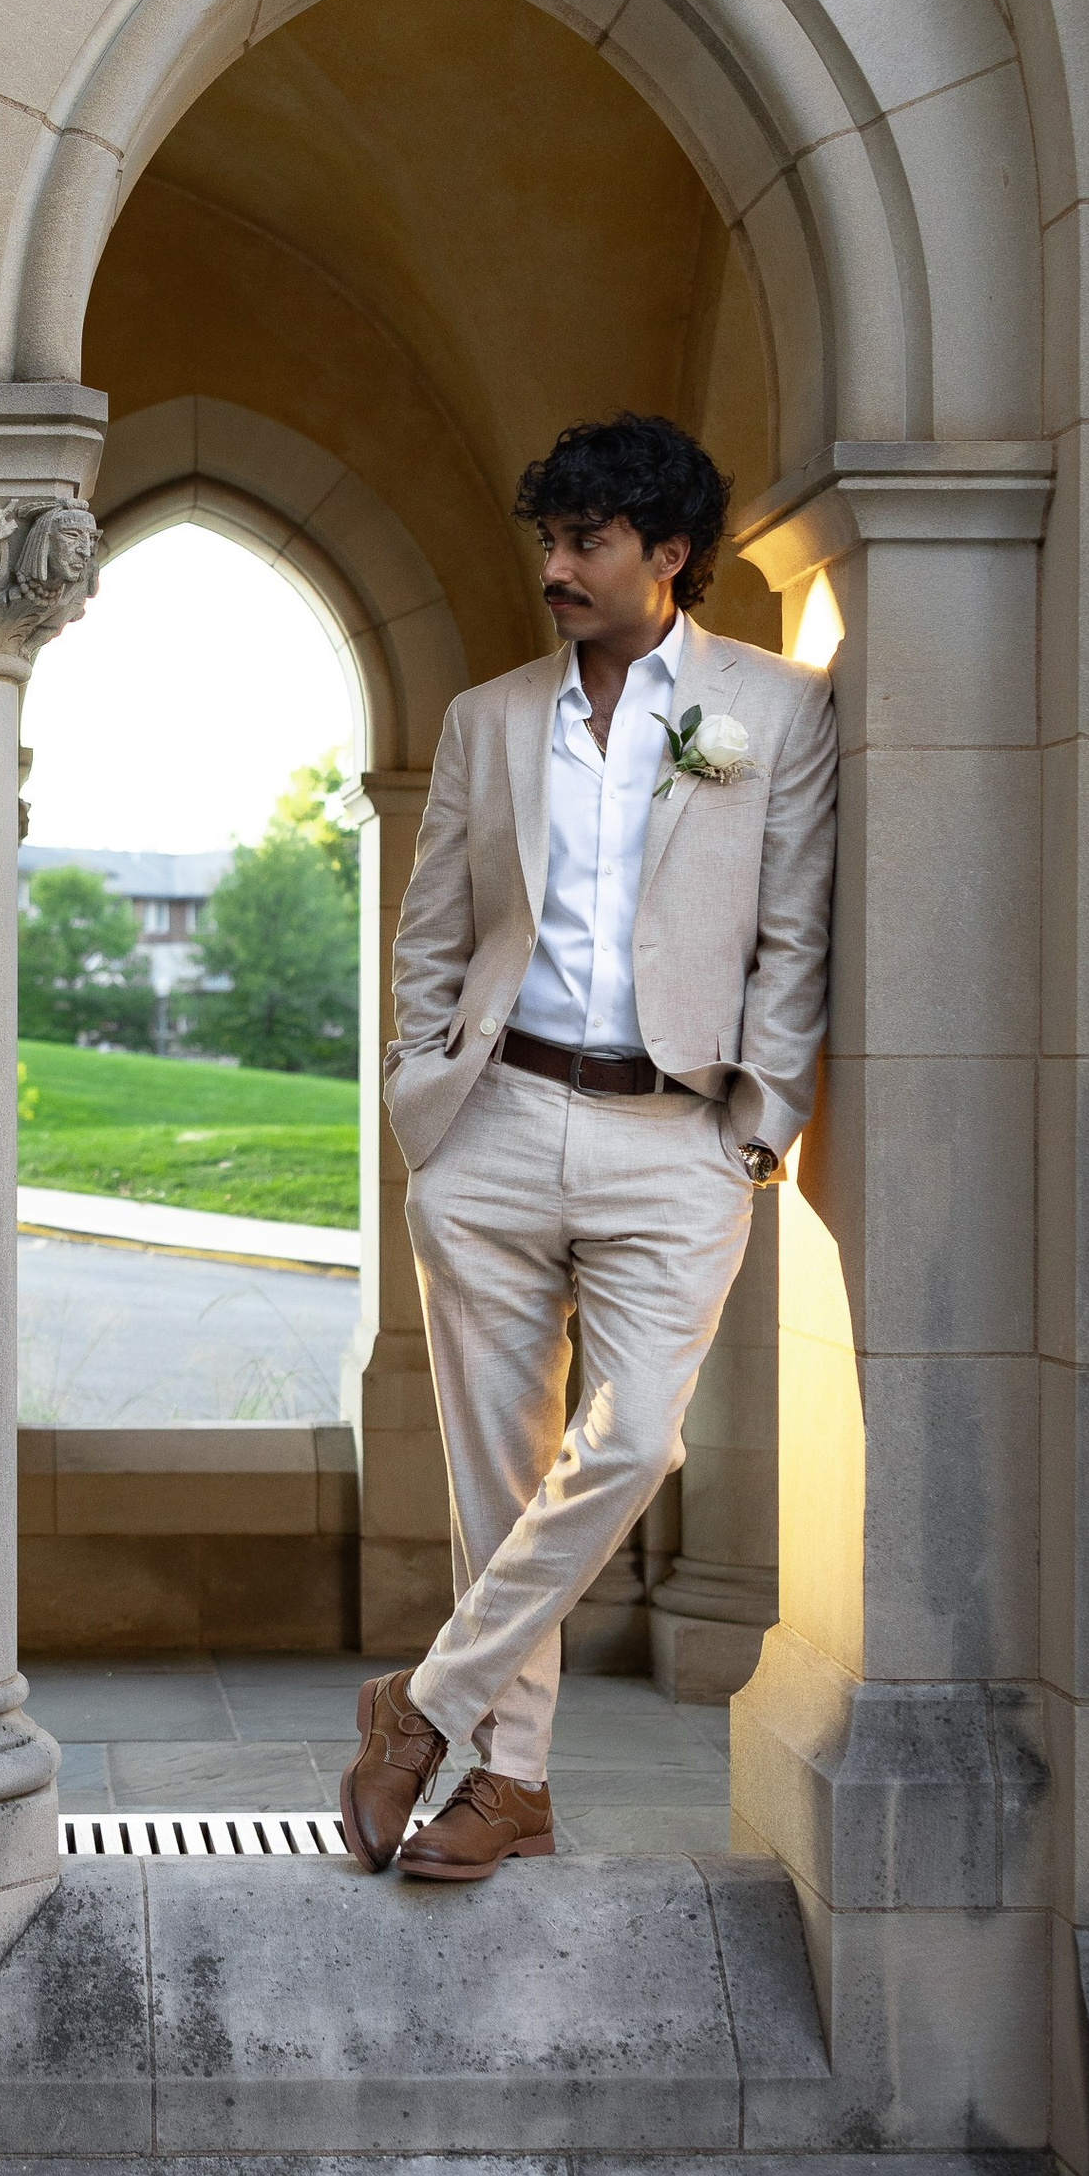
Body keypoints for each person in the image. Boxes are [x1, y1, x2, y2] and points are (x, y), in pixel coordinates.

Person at [340, 415, 836, 1886]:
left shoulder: (777, 712)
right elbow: (431, 930)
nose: (554, 566)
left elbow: (795, 933)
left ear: (668, 555)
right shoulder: (493, 717)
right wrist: (419, 1096)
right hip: (492, 1128)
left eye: (586, 541)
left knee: (634, 1440)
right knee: (499, 1479)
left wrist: (757, 1126)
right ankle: (516, 1782)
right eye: (547, 539)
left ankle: (418, 1705)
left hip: (677, 1134)